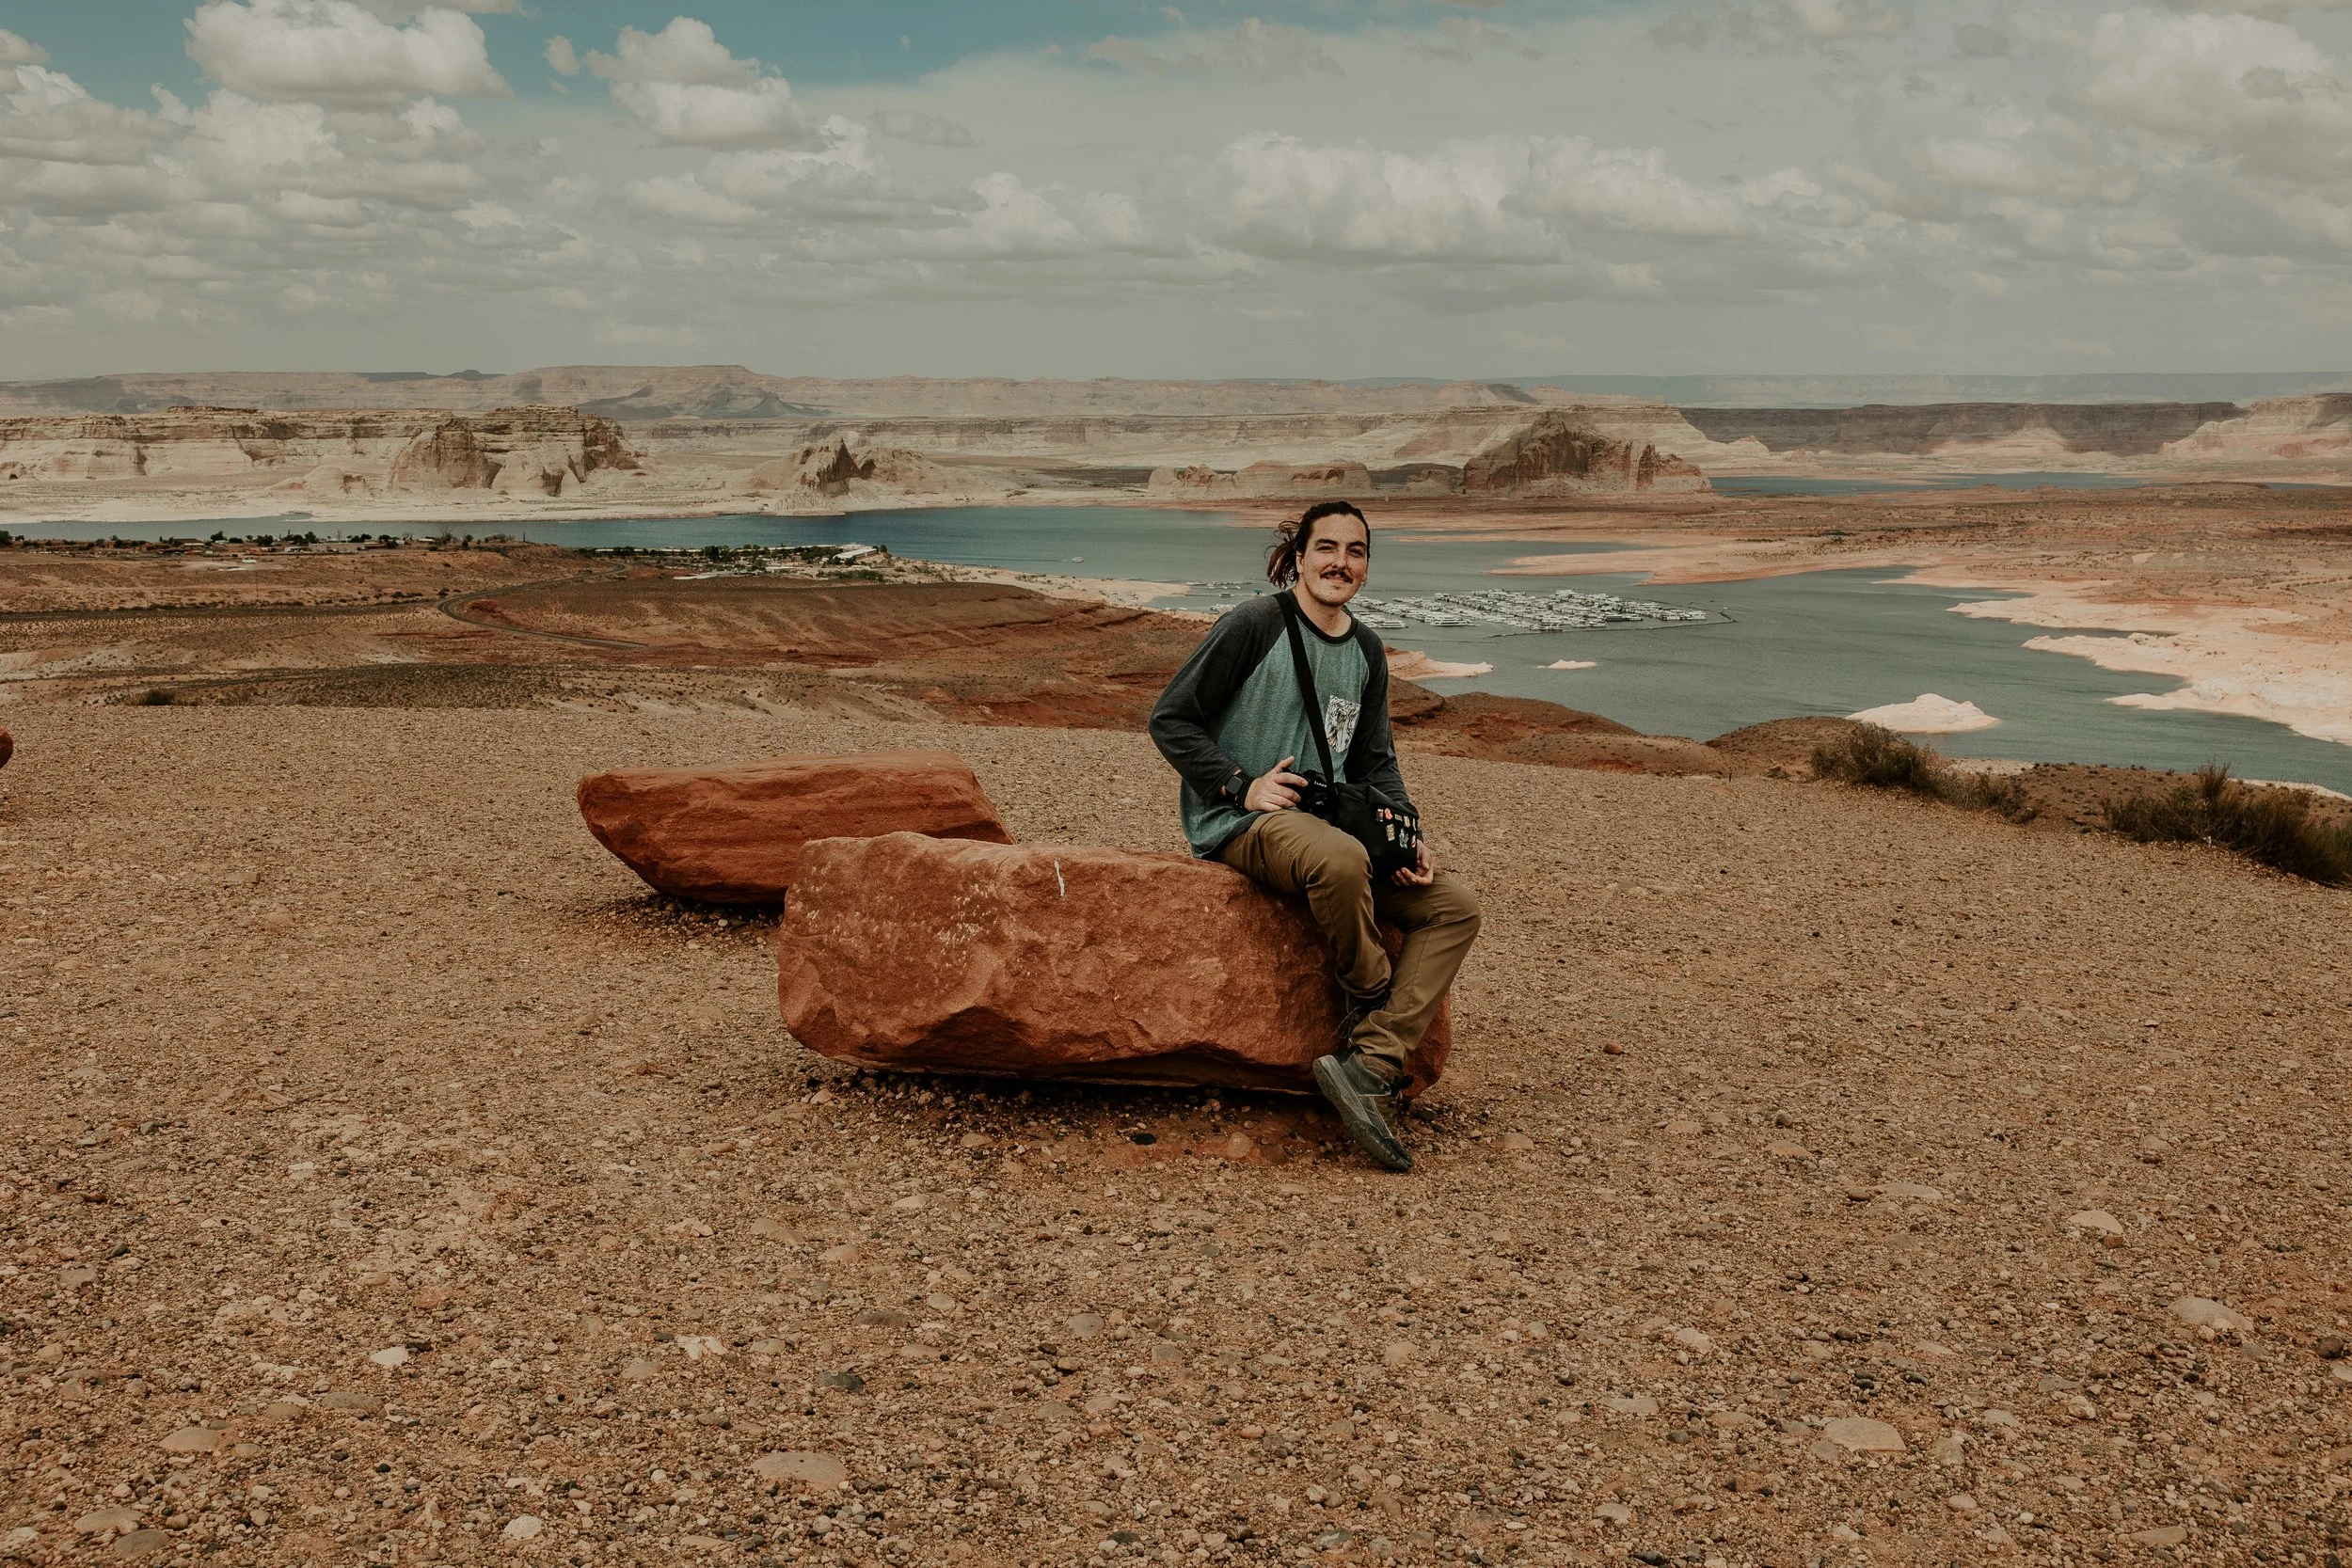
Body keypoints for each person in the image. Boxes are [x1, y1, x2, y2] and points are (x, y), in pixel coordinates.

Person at [1148, 500, 1482, 1172]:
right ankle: (1369, 991)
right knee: (1339, 856)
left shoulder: (1363, 650)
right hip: (1243, 824)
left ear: (1365, 566)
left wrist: (1407, 833)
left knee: (1455, 906)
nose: (1340, 562)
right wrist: (1240, 786)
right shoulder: (1254, 624)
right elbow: (1171, 718)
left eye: (1355, 551)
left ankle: (1371, 1064)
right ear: (1298, 557)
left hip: (1334, 839)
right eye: (1325, 547)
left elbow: (1375, 761)